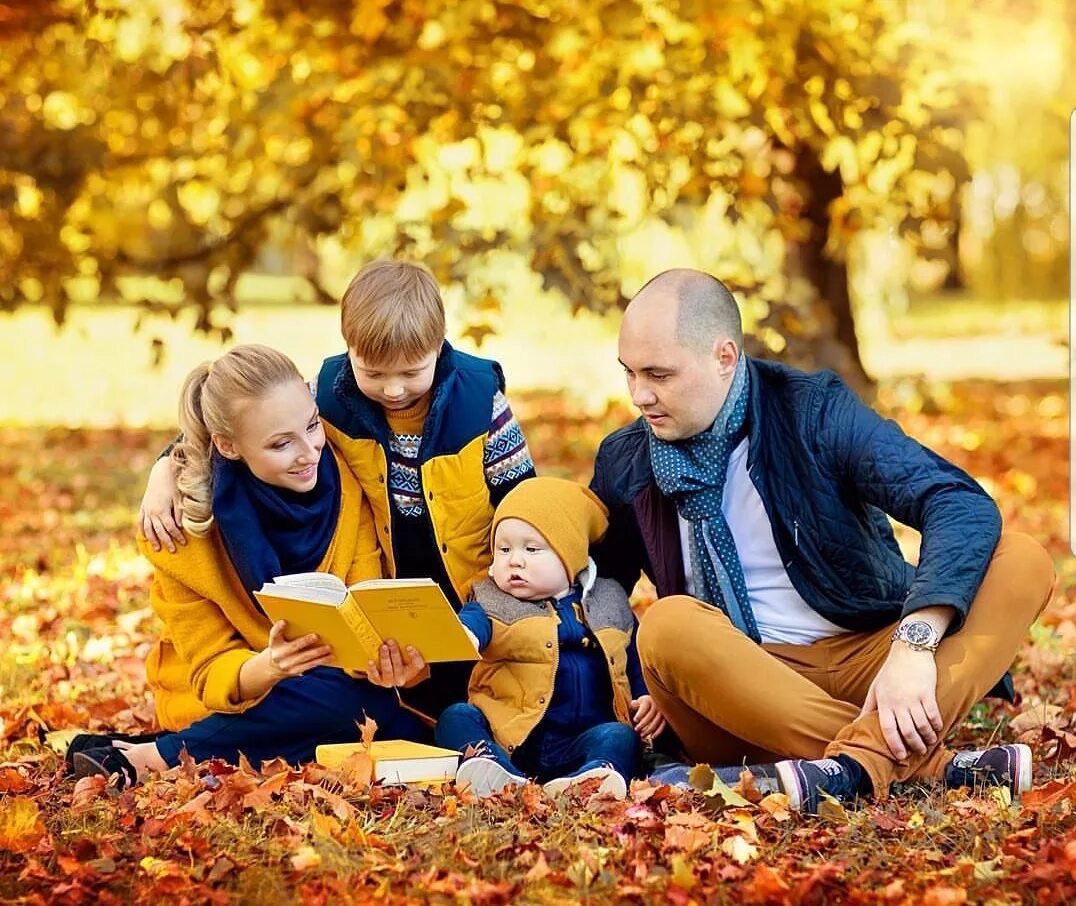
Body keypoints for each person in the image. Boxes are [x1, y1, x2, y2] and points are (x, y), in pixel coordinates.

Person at [589, 268, 1056, 813]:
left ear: (725, 357)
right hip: (745, 688)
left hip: (871, 660)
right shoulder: (627, 459)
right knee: (668, 625)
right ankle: (921, 766)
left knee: (1023, 559)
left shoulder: (812, 411)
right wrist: (639, 687)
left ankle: (846, 769)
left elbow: (956, 502)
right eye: (629, 373)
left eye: (659, 374)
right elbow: (601, 581)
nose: (639, 395)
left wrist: (914, 642)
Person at [137, 260, 536, 724]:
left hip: (473, 603)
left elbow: (524, 508)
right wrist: (165, 467)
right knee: (394, 711)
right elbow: (240, 425)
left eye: (411, 372)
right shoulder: (326, 399)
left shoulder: (481, 405)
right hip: (391, 599)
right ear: (349, 352)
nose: (393, 389)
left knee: (469, 720)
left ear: (439, 346)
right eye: (373, 372)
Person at [70, 345, 430, 788]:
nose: (309, 452)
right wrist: (271, 666)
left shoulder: (345, 479)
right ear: (228, 446)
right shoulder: (184, 531)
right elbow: (208, 667)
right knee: (346, 708)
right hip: (233, 695)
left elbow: (363, 612)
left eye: (312, 425)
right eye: (281, 443)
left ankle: (160, 750)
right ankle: (160, 756)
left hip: (329, 685)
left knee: (397, 721)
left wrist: (381, 661)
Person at [435, 477, 666, 799]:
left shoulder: (610, 600)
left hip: (584, 737)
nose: (515, 560)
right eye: (503, 550)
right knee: (457, 716)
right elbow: (470, 625)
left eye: (531, 549)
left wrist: (648, 696)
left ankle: (593, 775)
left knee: (619, 736)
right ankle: (492, 767)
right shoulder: (489, 599)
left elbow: (637, 658)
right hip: (509, 736)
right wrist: (463, 636)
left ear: (571, 556)